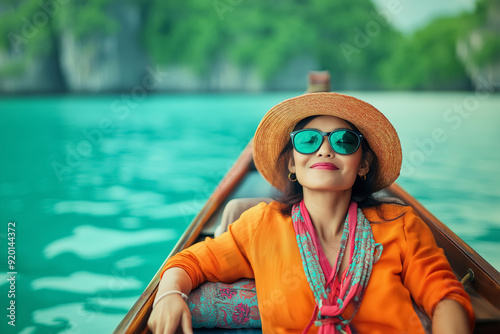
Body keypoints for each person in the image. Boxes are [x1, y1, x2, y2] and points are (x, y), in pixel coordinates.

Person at [148, 93, 474, 334]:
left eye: (345, 141)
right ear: (292, 162)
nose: (324, 148)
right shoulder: (262, 225)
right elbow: (188, 262)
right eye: (308, 140)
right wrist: (169, 295)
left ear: (363, 164)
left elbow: (445, 298)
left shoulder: (400, 225)